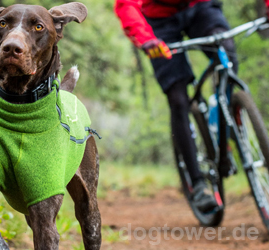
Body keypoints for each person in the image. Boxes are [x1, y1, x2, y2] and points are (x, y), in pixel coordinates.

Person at [114, 0, 269, 212]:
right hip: (159, 21)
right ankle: (197, 184)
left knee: (227, 55)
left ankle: (218, 117)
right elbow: (127, 4)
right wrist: (145, 39)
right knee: (178, 99)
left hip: (201, 7)